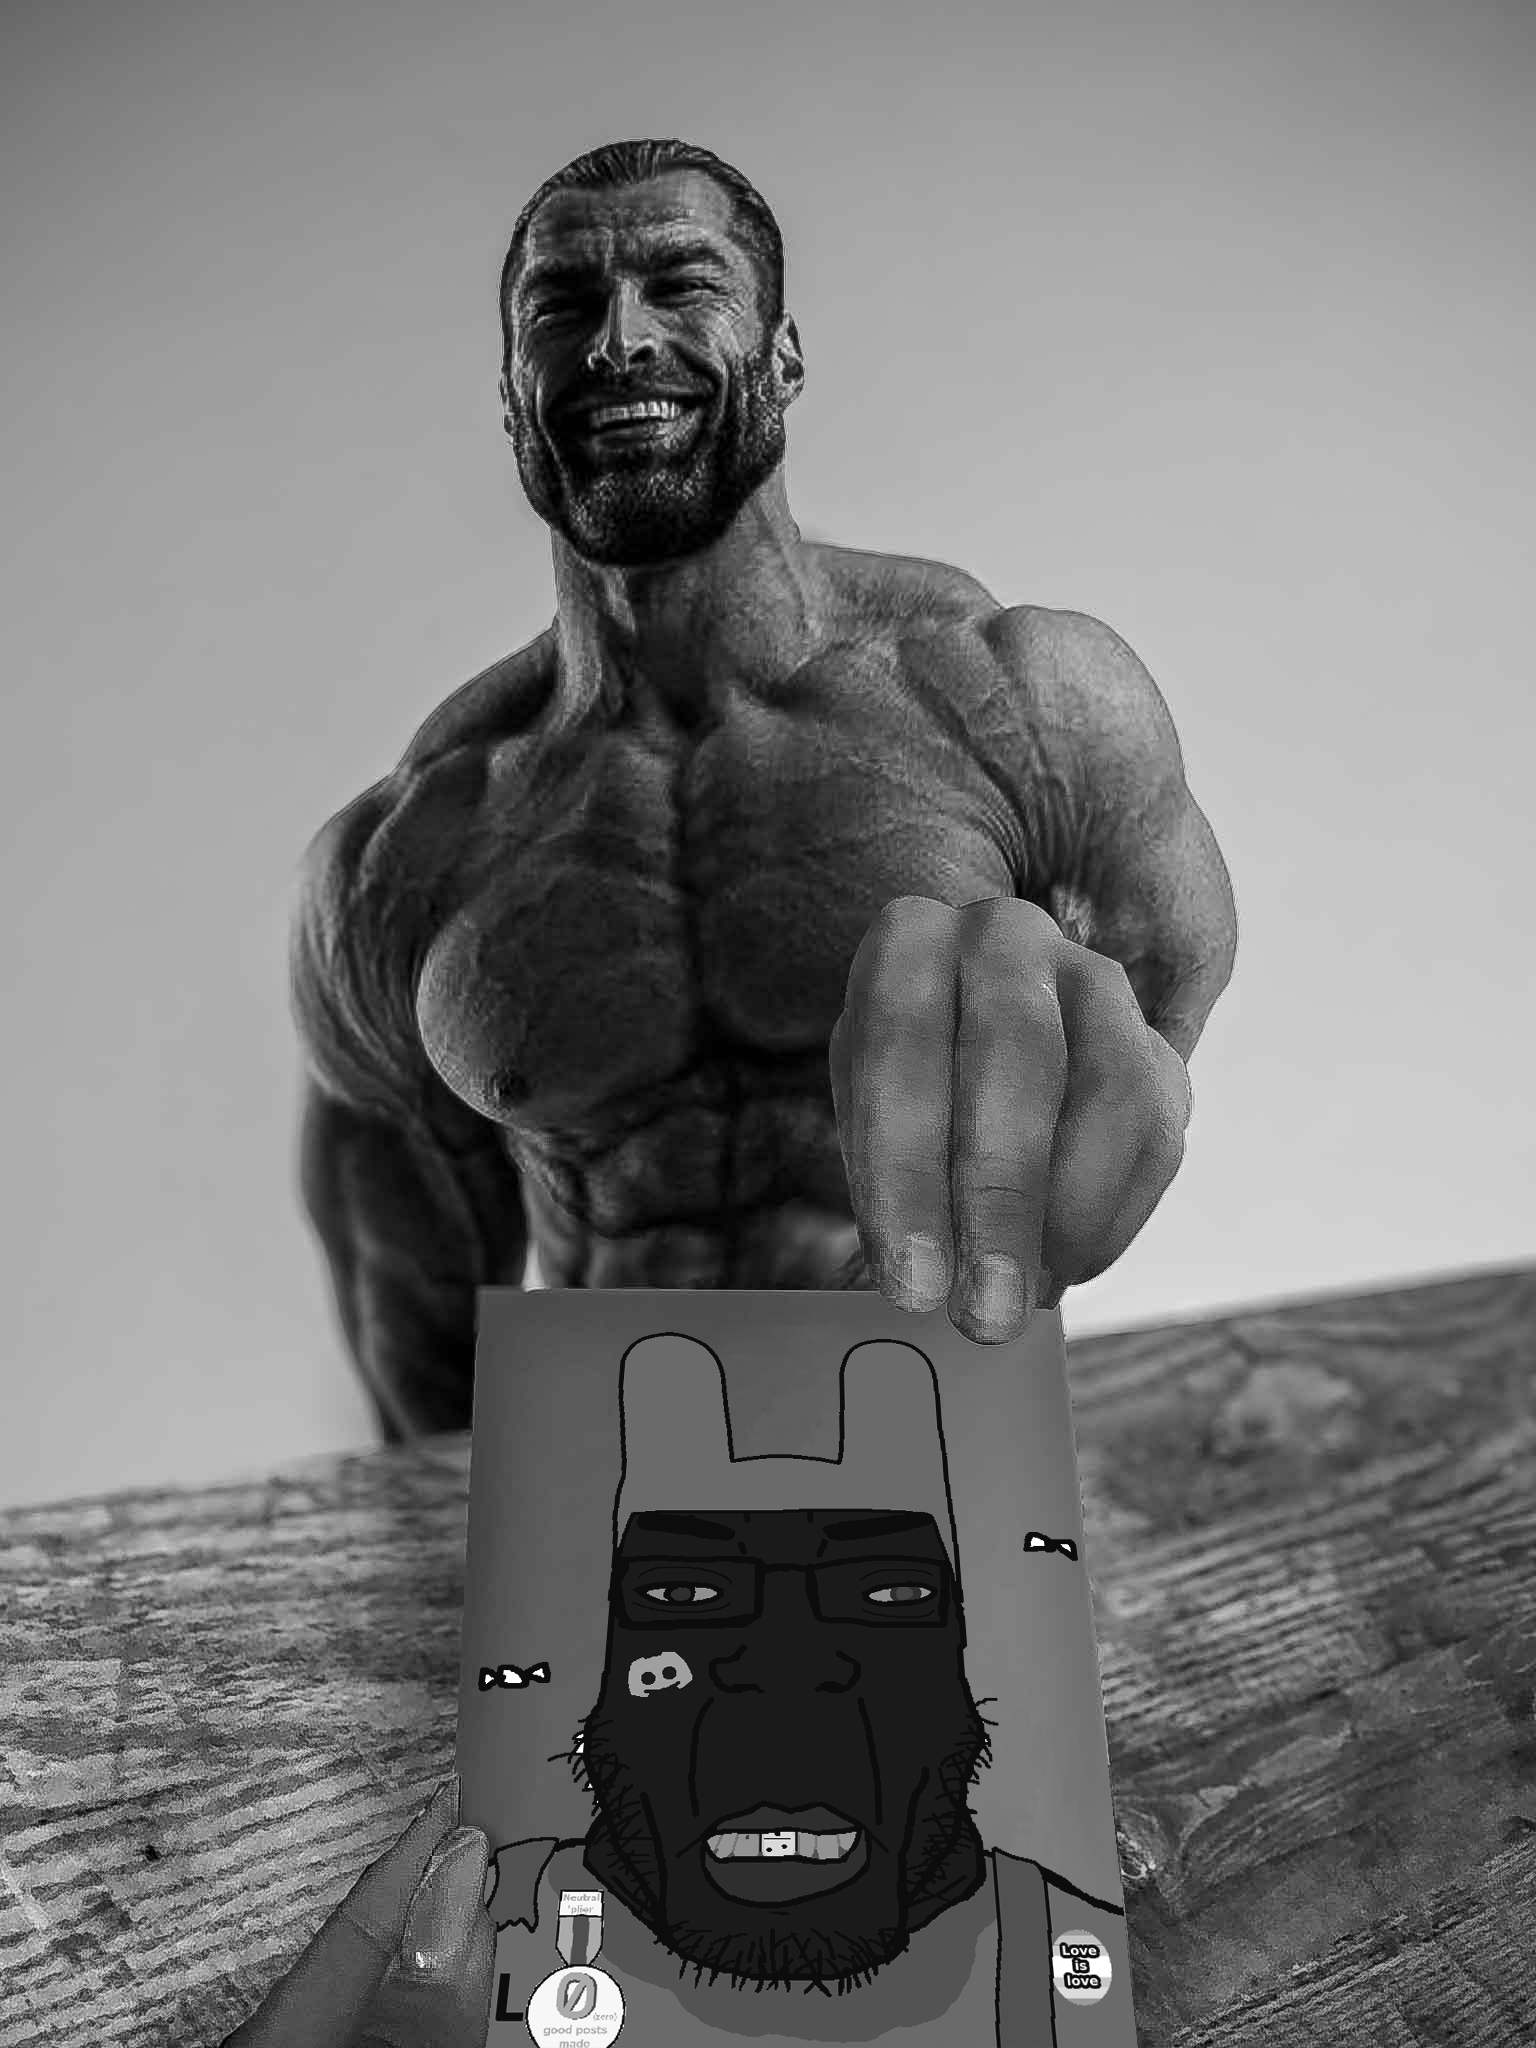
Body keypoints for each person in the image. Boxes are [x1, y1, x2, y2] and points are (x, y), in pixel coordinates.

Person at [290, 137, 1238, 1448]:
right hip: (611, 1461)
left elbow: (1145, 1065)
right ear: (511, 398)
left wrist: (986, 1283)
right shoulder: (406, 858)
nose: (619, 340)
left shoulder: (1017, 700)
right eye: (562, 306)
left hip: (940, 1425)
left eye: (683, 285)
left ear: (784, 357)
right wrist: (491, 1542)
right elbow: (413, 1315)